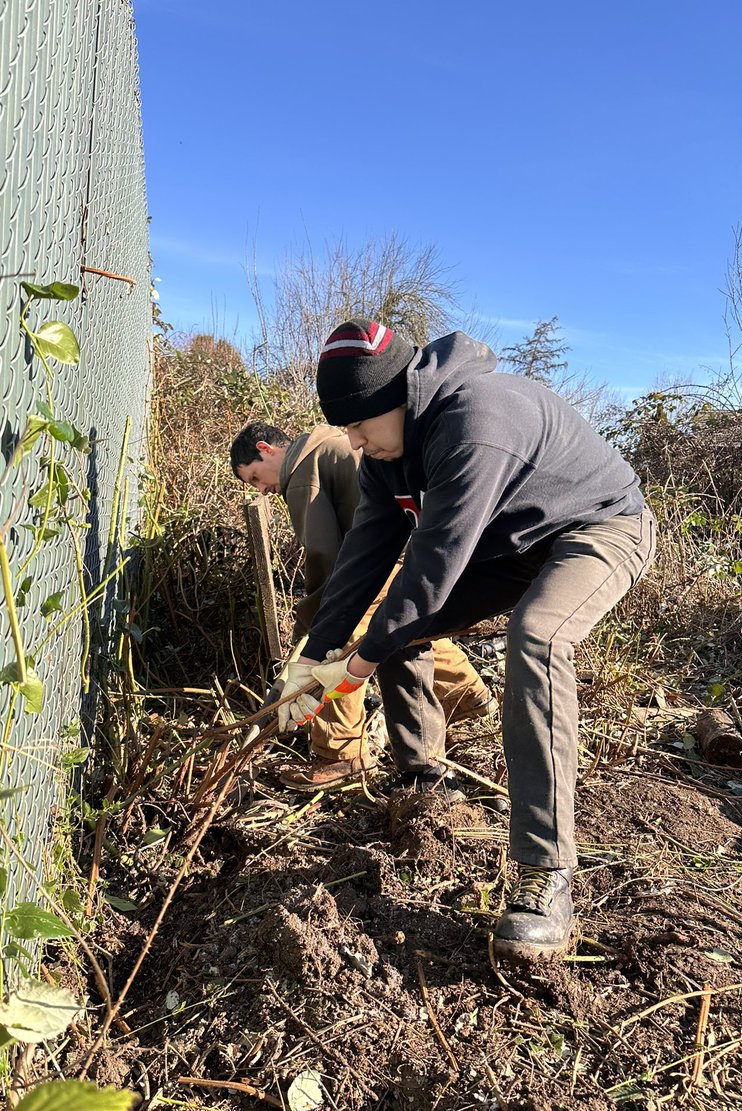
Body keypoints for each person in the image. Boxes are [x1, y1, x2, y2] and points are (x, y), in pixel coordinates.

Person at [277, 319, 656, 961]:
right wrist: (313, 653)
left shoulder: (475, 420)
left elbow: (433, 565)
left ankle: (546, 875)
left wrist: (354, 668)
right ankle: (424, 779)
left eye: (362, 423)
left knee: (536, 637)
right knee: (396, 627)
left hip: (598, 529)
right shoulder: (384, 456)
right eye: (345, 426)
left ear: (399, 395)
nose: (353, 439)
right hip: (509, 548)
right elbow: (366, 558)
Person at [230, 421, 495, 791]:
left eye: (255, 477)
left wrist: (313, 634)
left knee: (337, 646)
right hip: (406, 551)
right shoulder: (331, 446)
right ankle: (471, 696)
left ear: (267, 448)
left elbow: (325, 557)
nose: (262, 490)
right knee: (404, 630)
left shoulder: (302, 469)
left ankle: (340, 756)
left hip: (378, 560)